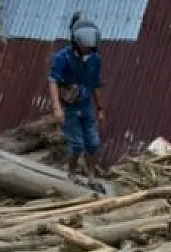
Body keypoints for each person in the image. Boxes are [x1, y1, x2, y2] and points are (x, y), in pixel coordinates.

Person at [48, 15, 106, 189]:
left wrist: (101, 108)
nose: (88, 47)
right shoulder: (62, 57)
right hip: (70, 106)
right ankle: (71, 174)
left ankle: (91, 176)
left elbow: (95, 84)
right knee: (77, 143)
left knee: (93, 142)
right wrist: (57, 108)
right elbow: (53, 81)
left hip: (86, 104)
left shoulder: (96, 59)